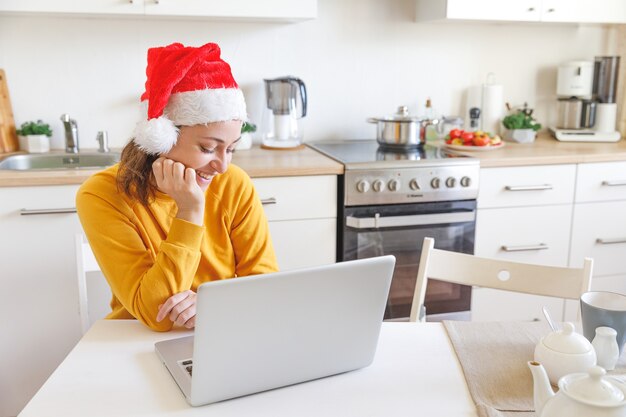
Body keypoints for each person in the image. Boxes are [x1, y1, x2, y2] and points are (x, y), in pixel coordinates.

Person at [76, 42, 279, 332]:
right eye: (209, 148)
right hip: (134, 340)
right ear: (162, 139)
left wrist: (212, 306)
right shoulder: (101, 195)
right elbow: (155, 315)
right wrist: (190, 211)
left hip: (224, 328)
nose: (222, 166)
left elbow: (265, 283)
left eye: (231, 149)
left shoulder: (234, 184)